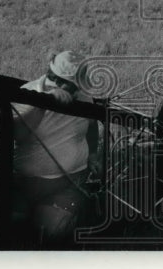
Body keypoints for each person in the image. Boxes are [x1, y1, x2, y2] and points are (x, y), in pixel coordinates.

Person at [9, 50, 100, 248]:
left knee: (52, 231)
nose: (80, 91)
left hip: (68, 183)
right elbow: (18, 134)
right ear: (62, 83)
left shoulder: (84, 99)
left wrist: (93, 153)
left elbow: (91, 126)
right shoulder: (28, 92)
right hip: (25, 185)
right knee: (14, 227)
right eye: (77, 86)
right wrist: (43, 103)